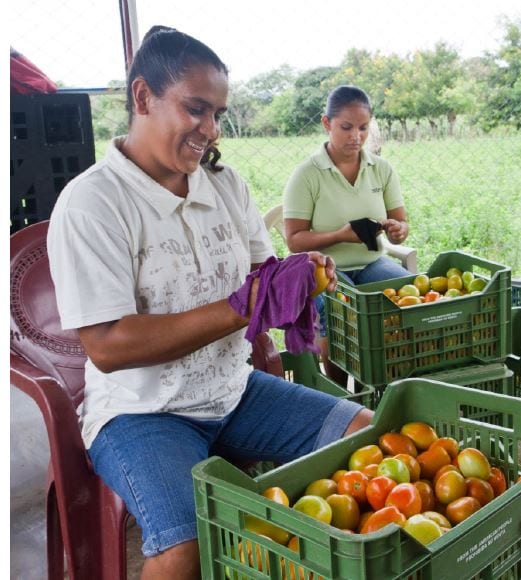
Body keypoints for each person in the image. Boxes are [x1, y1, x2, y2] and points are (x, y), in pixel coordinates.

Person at [46, 26, 373, 580]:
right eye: (196, 109)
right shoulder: (93, 203)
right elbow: (106, 346)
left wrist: (296, 277)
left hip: (232, 391)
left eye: (218, 113)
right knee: (186, 544)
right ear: (143, 97)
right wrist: (242, 306)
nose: (210, 129)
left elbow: (257, 278)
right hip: (141, 413)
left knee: (367, 434)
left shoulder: (223, 186)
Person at [283, 85, 411, 383]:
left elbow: (401, 227)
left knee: (407, 292)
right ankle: (343, 391)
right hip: (324, 267)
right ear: (327, 124)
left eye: (364, 128)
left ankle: (391, 382)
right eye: (346, 127)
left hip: (371, 262)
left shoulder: (381, 169)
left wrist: (397, 230)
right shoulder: (307, 174)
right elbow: (294, 240)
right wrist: (339, 235)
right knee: (337, 309)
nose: (356, 136)